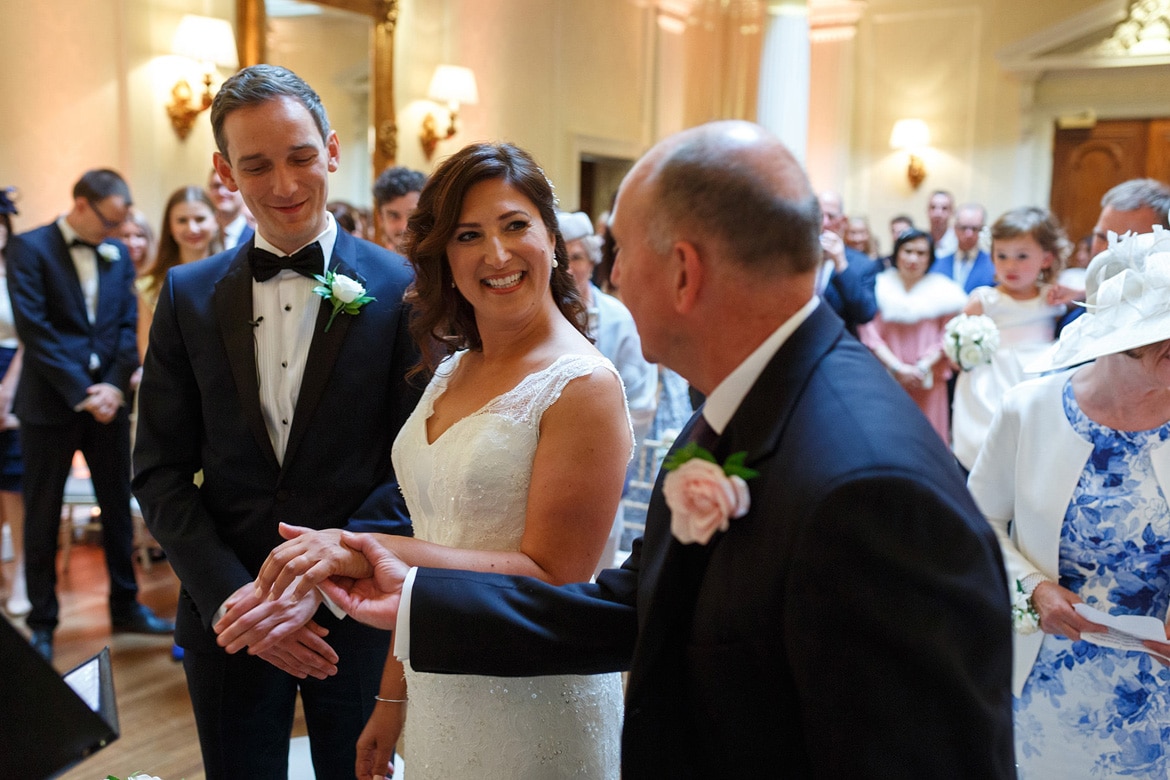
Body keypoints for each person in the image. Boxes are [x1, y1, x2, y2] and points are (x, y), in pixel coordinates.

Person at [255, 120, 1015, 777]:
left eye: (620, 251)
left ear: (683, 271)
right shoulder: (743, 410)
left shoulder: (864, 481)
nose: (608, 276)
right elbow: (644, 600)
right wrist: (418, 602)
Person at [257, 144, 631, 780]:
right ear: (444, 256)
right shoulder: (454, 369)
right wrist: (392, 696)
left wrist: (368, 549)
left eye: (515, 226)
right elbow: (434, 541)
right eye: (468, 235)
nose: (496, 254)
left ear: (551, 236)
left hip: (535, 696)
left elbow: (555, 575)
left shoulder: (583, 385)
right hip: (441, 679)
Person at [130, 64, 420, 780]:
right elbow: (158, 468)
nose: (285, 185)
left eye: (299, 157)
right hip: (229, 616)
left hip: (358, 610)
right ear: (224, 172)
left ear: (332, 149)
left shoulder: (401, 288)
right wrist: (240, 598)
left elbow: (419, 462)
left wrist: (322, 580)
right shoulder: (187, 295)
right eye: (256, 165)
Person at [969, 228, 1170, 778]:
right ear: (1119, 341)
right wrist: (1033, 587)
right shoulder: (1030, 409)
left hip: (1161, 690)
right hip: (1050, 677)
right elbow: (976, 521)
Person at [7, 169, 173, 663]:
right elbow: (35, 332)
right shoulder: (29, 249)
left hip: (109, 403)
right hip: (49, 406)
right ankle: (42, 621)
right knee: (41, 514)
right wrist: (83, 391)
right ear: (81, 205)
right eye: (110, 221)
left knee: (117, 508)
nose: (118, 233)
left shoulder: (117, 254)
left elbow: (126, 327)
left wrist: (113, 386)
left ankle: (126, 605)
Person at [558, 208, 657, 571]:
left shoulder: (618, 317)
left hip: (604, 468)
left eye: (578, 257)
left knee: (594, 568)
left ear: (593, 260)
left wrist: (608, 462)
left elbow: (641, 403)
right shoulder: (536, 317)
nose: (568, 267)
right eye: (560, 257)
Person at [951, 207, 1070, 471]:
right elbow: (956, 336)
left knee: (1031, 446)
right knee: (988, 442)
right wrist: (961, 354)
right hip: (992, 379)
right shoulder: (986, 299)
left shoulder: (1053, 297)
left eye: (1022, 256)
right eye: (1001, 256)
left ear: (1047, 258)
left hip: (1039, 376)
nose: (1010, 265)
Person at [858, 228, 967, 442]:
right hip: (887, 378)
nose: (913, 258)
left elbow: (947, 336)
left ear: (930, 257)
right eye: (908, 251)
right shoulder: (879, 286)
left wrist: (922, 367)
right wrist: (897, 368)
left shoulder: (945, 292)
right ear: (897, 253)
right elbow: (869, 333)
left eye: (921, 253)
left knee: (928, 441)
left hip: (928, 380)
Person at [136, 186, 221, 362]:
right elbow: (146, 349)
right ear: (170, 226)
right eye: (182, 220)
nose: (192, 228)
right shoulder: (150, 285)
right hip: (169, 383)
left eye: (200, 219)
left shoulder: (234, 274)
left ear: (215, 220)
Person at [0, 187, 26, 617]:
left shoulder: (21, 270)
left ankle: (20, 575)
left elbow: (31, 335)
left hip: (16, 377)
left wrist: (6, 391)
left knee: (15, 484)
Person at [816, 190, 879, 335]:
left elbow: (866, 313)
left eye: (831, 216)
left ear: (843, 221)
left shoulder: (863, 264)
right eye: (819, 215)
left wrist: (840, 264)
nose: (824, 222)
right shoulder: (796, 255)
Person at [930, 203, 995, 293]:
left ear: (981, 229)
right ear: (954, 228)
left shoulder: (993, 263)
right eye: (963, 228)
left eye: (974, 228)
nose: (969, 234)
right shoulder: (937, 263)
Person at [372, 166, 425, 253]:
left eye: (413, 216)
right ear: (380, 219)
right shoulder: (372, 263)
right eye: (394, 216)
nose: (404, 227)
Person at [206, 168, 254, 250]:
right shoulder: (202, 236)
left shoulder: (255, 238)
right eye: (216, 186)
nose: (221, 192)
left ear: (243, 190)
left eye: (229, 187)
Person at [115, 208, 156, 279]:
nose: (132, 243)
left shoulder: (159, 273)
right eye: (126, 236)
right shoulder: (112, 275)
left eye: (139, 236)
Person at [928, 189, 958, 259]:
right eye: (933, 207)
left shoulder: (959, 243)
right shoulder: (922, 242)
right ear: (927, 210)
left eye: (944, 208)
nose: (938, 213)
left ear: (952, 211)